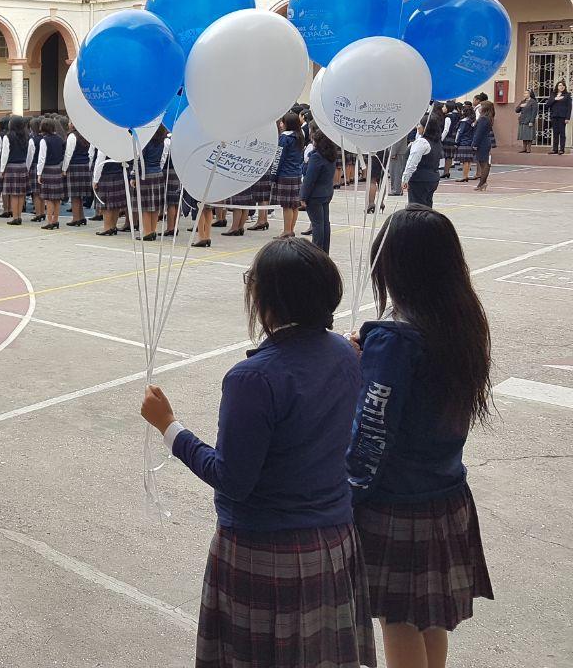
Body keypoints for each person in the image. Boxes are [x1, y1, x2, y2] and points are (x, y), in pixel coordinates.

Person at [140, 237, 374, 668]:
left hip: (266, 553)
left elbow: (234, 479)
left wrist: (169, 427)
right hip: (334, 540)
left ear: (266, 298)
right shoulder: (346, 354)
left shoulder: (253, 377)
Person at [349, 206, 494, 668]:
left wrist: (346, 493)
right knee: (428, 618)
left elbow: (371, 434)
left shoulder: (395, 340)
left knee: (398, 620)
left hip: (397, 503)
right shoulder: (461, 322)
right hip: (446, 492)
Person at [301, 127, 338, 254]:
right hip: (326, 192)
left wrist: (303, 197)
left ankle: (316, 251)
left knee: (317, 224)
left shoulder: (316, 157)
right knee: (325, 223)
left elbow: (309, 179)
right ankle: (324, 250)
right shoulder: (330, 156)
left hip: (315, 195)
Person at [401, 114, 445, 208]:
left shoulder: (421, 142)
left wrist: (405, 178)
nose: (418, 127)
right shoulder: (437, 142)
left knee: (416, 207)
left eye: (420, 125)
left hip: (419, 179)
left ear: (426, 127)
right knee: (427, 206)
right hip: (433, 178)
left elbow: (412, 162)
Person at [0, 117, 35, 226]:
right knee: (21, 193)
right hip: (23, 165)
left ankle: (15, 217)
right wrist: (27, 167)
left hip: (11, 166)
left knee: (14, 194)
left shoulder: (7, 137)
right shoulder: (27, 137)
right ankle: (19, 216)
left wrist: (2, 169)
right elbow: (30, 154)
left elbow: (5, 154)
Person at [62, 124, 92, 228]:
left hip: (74, 166)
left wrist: (64, 168)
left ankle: (76, 218)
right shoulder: (86, 134)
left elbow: (68, 154)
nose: (69, 124)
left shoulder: (72, 136)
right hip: (85, 165)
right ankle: (82, 217)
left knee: (75, 195)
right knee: (80, 195)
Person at [471, 100, 495, 191]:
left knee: (484, 163)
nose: (479, 108)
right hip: (484, 142)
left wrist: (474, 144)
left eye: (481, 106)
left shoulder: (483, 119)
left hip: (482, 143)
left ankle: (482, 183)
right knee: (482, 163)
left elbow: (479, 133)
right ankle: (482, 183)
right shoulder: (487, 118)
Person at [546, 80, 571, 154]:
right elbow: (548, 105)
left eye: (563, 85)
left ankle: (562, 149)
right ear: (557, 86)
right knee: (555, 133)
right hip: (554, 116)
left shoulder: (567, 95)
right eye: (560, 85)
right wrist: (555, 99)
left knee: (562, 133)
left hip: (562, 117)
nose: (561, 86)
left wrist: (567, 118)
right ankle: (555, 149)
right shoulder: (553, 94)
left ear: (564, 87)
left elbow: (569, 107)